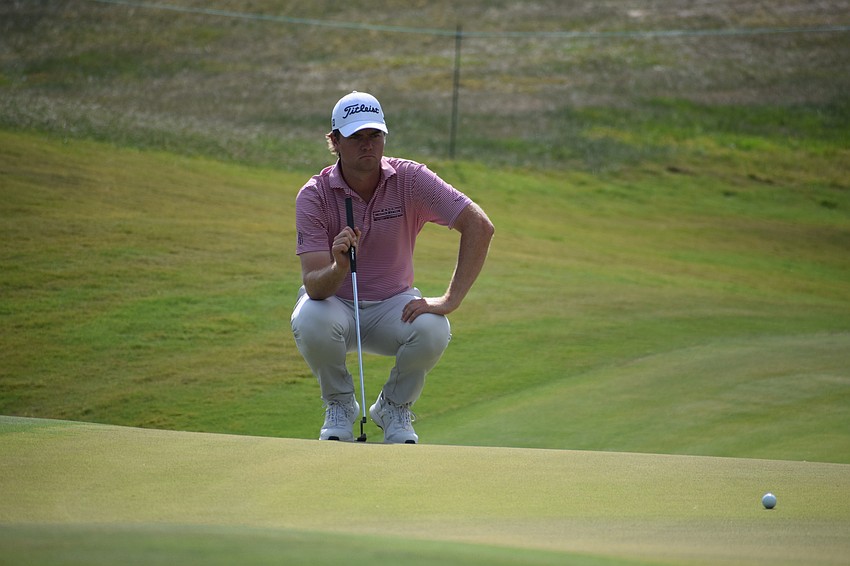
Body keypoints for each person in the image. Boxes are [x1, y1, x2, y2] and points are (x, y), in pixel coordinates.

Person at [290, 91, 494, 444]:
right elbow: (315, 286)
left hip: (392, 307)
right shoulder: (315, 194)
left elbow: (479, 226)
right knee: (310, 317)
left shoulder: (410, 179)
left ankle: (394, 407)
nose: (367, 145)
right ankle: (340, 405)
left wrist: (450, 299)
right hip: (336, 305)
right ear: (335, 141)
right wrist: (339, 266)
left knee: (433, 327)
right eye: (356, 137)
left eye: (374, 136)